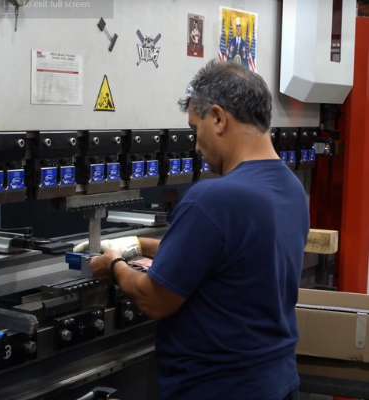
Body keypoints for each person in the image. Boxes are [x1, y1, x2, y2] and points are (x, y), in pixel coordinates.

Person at [74, 60, 309, 400]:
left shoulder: (212, 198)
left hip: (219, 389)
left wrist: (113, 266)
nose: (196, 147)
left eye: (194, 129)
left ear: (218, 118)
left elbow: (154, 299)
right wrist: (140, 243)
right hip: (278, 381)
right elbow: (229, 253)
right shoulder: (290, 189)